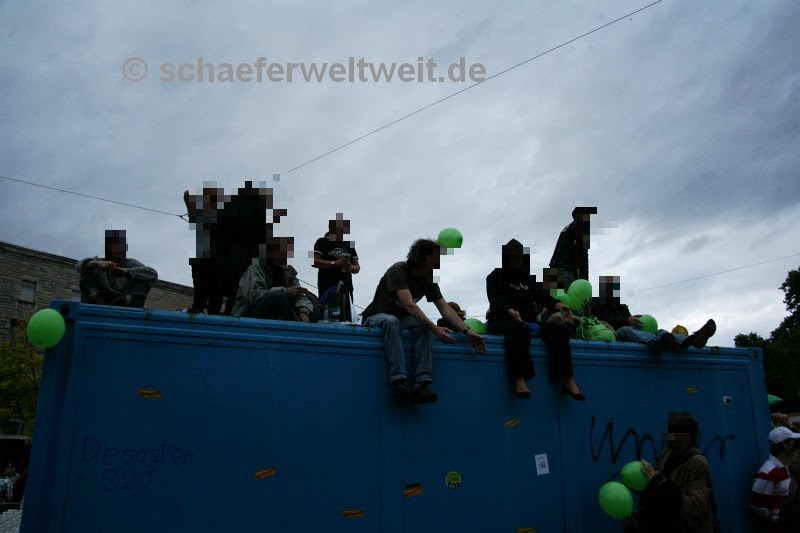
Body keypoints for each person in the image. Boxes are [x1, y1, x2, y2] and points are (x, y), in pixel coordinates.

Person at [361, 238, 486, 404]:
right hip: (377, 316)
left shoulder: (429, 278)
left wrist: (467, 332)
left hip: (402, 318)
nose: (440, 262)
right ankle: (399, 382)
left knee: (423, 326)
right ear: (423, 258)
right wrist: (435, 328)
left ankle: (421, 384)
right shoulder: (399, 270)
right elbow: (408, 304)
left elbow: (445, 308)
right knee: (392, 322)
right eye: (437, 258)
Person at [486, 239, 585, 400]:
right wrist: (511, 312)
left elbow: (542, 296)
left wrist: (560, 306)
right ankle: (519, 380)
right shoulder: (495, 276)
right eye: (514, 257)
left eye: (520, 257)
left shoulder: (527, 276)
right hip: (503, 320)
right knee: (517, 331)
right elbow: (497, 300)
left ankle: (568, 380)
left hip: (528, 321)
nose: (517, 261)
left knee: (559, 331)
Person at [627, 412, 716, 532]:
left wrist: (661, 487)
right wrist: (642, 482)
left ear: (688, 436)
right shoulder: (667, 453)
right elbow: (656, 485)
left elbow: (697, 505)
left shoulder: (698, 463)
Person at [590, 275, 717, 352]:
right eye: (610, 286)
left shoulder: (621, 305)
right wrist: (626, 320)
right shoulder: (597, 303)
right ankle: (656, 342)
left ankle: (689, 340)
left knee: (660, 331)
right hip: (615, 334)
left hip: (632, 332)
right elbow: (601, 321)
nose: (614, 289)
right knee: (625, 329)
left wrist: (637, 320)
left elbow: (628, 319)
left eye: (615, 286)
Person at [216, 182, 286, 315]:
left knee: (236, 289)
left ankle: (228, 312)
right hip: (239, 257)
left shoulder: (238, 210)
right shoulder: (242, 211)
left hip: (241, 257)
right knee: (237, 288)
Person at [231, 236, 312, 322]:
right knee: (277, 296)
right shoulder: (256, 267)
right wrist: (286, 292)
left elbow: (300, 295)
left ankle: (301, 325)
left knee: (315, 310)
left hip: (276, 314)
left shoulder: (289, 272)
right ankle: (296, 327)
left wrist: (304, 311)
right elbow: (253, 296)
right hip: (247, 314)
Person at [75, 230, 158, 307]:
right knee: (88, 270)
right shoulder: (98, 260)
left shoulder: (131, 263)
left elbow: (152, 274)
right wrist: (96, 264)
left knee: (142, 277)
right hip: (99, 298)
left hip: (122, 300)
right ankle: (92, 297)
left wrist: (127, 272)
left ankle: (130, 302)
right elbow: (78, 266)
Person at [184, 185, 225, 314]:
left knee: (215, 292)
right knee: (202, 293)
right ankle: (200, 309)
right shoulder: (200, 216)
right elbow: (187, 195)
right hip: (203, 260)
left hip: (217, 261)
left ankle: (210, 311)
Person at [752, 426, 800, 531]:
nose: (796, 445)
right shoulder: (768, 471)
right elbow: (758, 505)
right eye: (792, 441)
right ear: (785, 444)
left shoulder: (786, 467)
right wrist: (775, 520)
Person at [313, 214, 360, 299]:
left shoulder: (350, 244)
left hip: (347, 288)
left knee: (346, 307)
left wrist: (351, 267)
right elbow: (312, 262)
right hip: (327, 287)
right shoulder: (320, 241)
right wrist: (334, 263)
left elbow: (357, 267)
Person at [549, 206, 596, 290]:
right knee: (572, 298)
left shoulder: (569, 227)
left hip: (554, 269)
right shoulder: (582, 225)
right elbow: (582, 252)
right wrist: (584, 280)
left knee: (555, 297)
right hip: (566, 271)